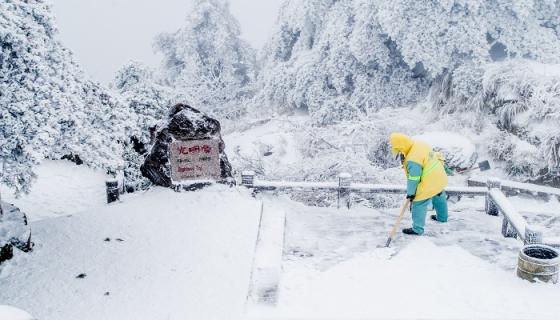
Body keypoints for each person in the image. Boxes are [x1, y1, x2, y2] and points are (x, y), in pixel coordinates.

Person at [389, 132, 449, 235]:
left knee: (418, 202)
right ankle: (442, 218)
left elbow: (414, 178)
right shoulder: (420, 144)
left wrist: (411, 193)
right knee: (438, 194)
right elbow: (434, 155)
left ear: (402, 147)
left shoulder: (412, 159)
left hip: (429, 181)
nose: (400, 154)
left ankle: (417, 229)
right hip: (439, 176)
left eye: (399, 151)